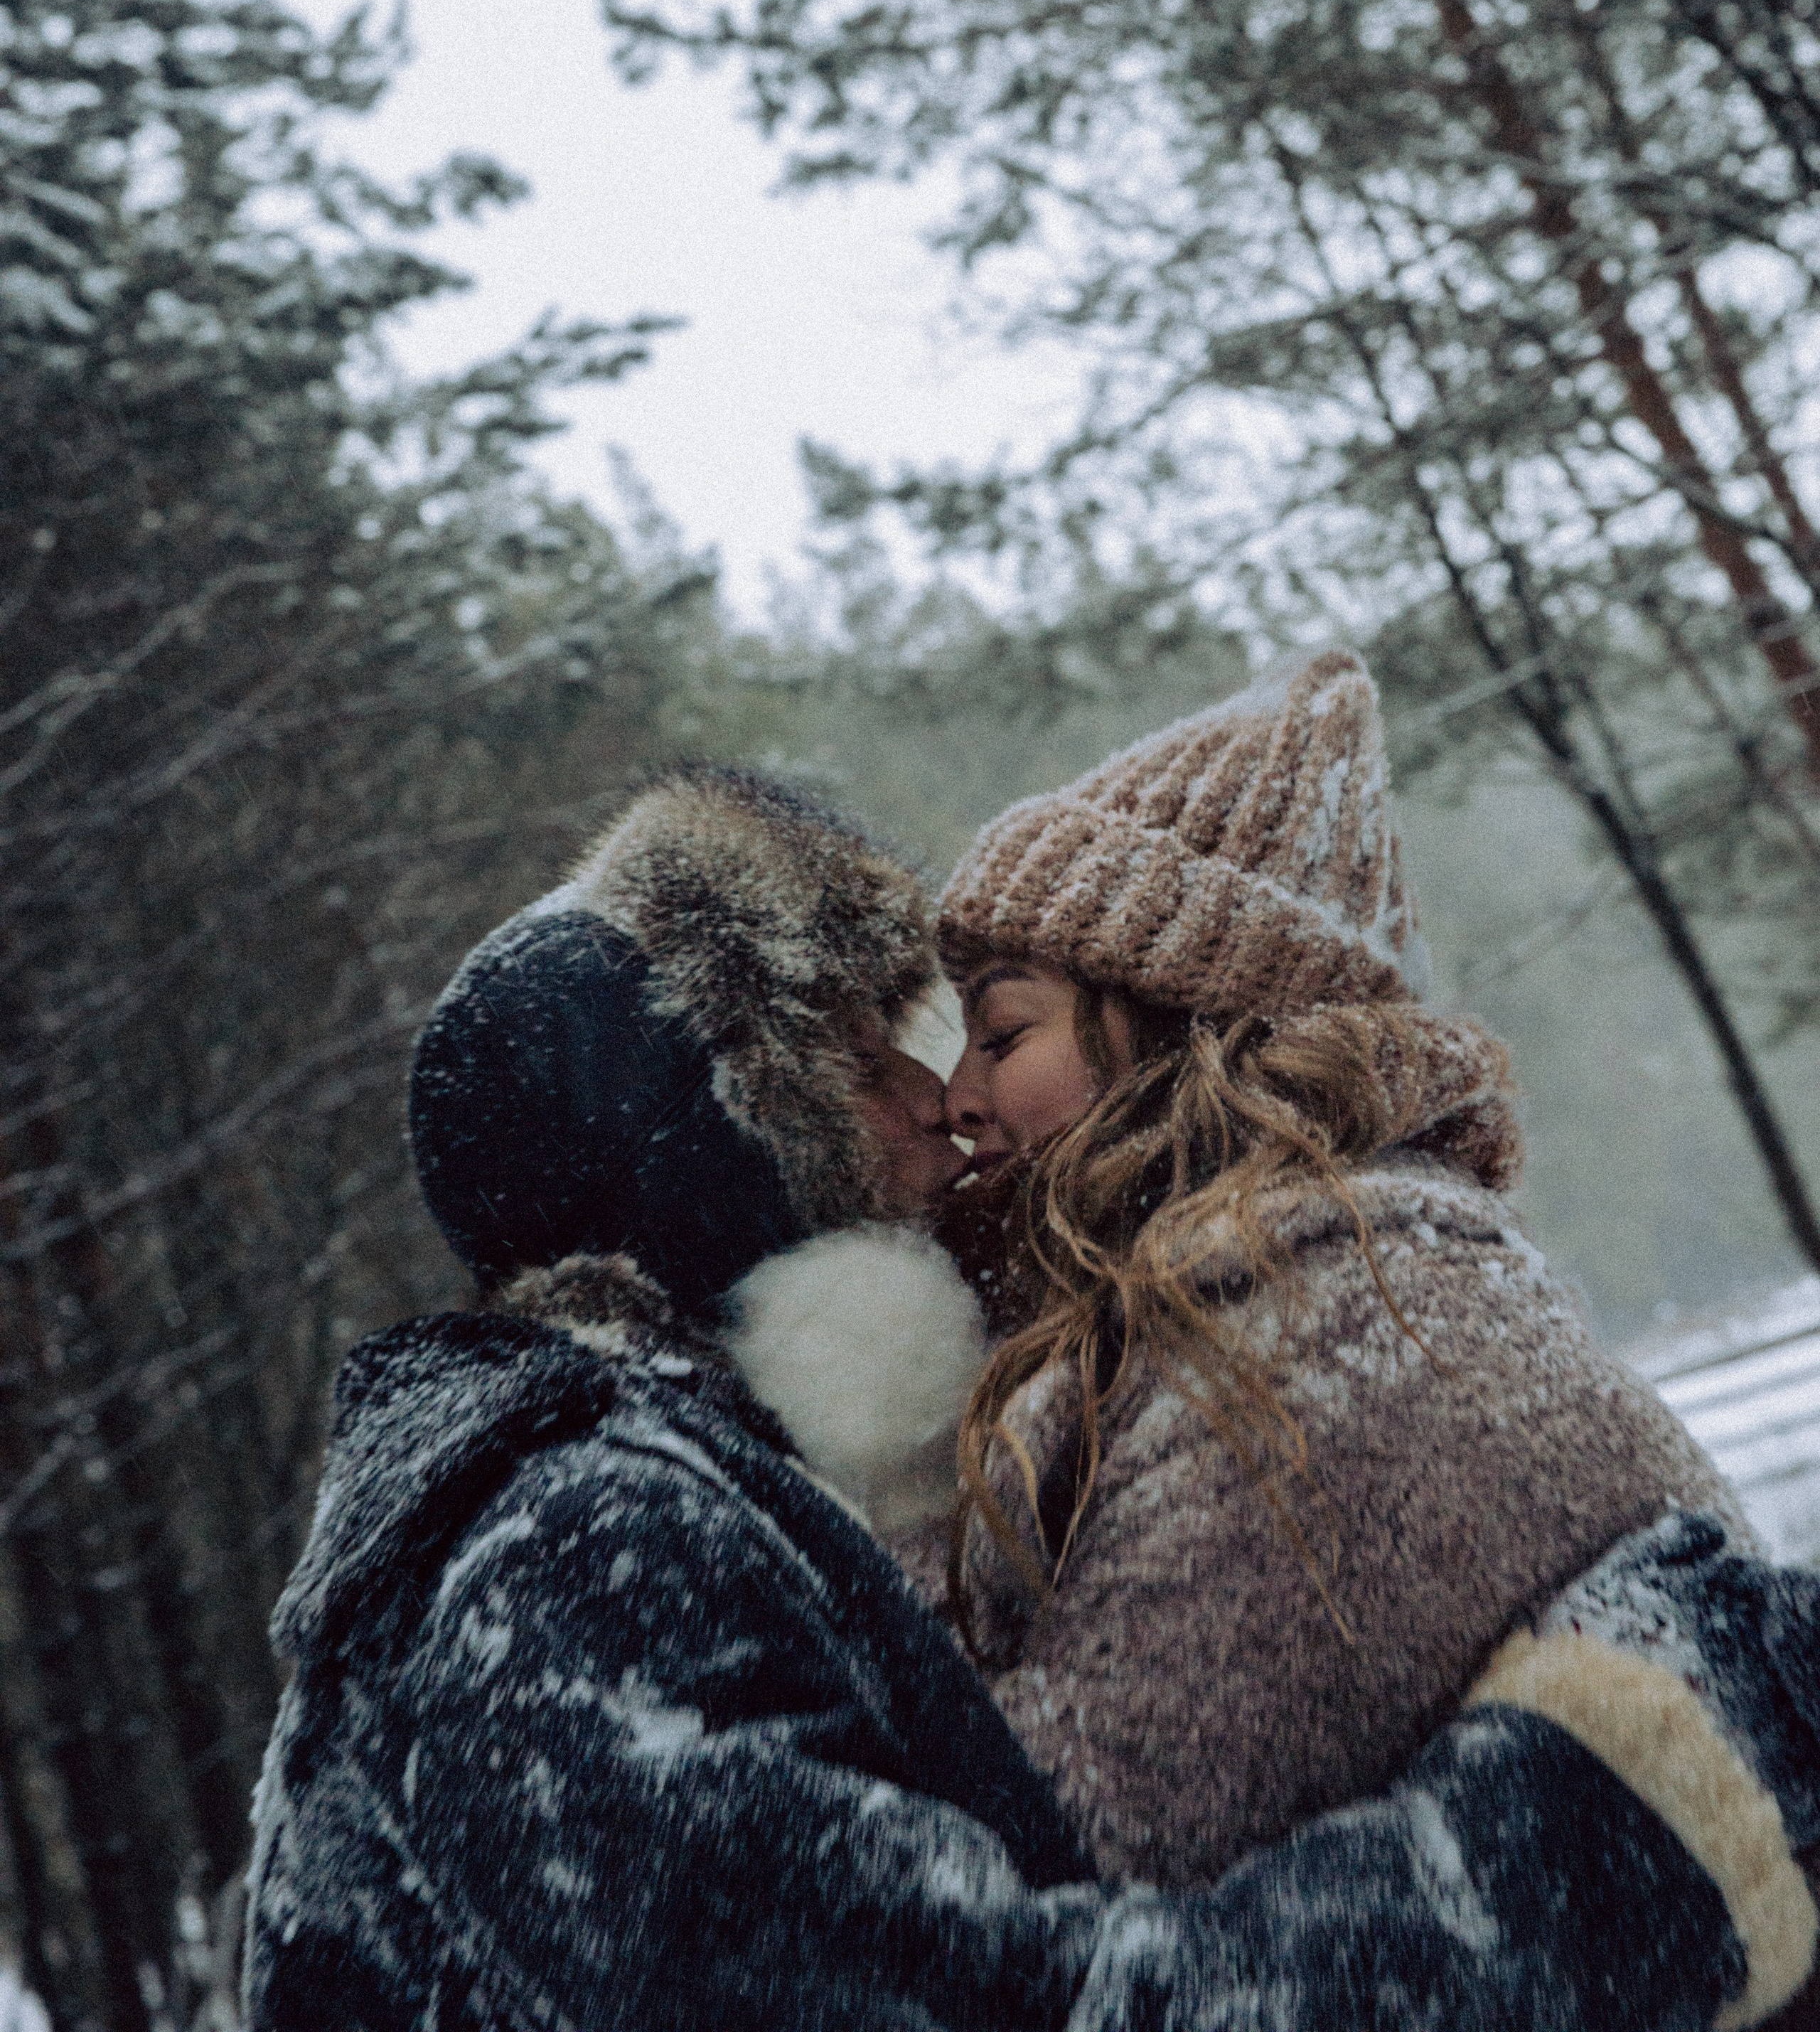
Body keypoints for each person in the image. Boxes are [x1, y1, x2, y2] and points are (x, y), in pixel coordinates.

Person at [244, 761, 1820, 2032]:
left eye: (976, 1034)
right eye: (864, 1064)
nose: (941, 1098)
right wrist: (1617, 1815)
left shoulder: (607, 1498)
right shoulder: (570, 1541)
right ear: (712, 1143)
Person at [926, 644, 1806, 1968]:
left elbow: (1048, 1858)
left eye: (1002, 1035)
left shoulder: (1315, 1337)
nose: (957, 1094)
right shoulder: (1321, 1282)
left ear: (1181, 1027)